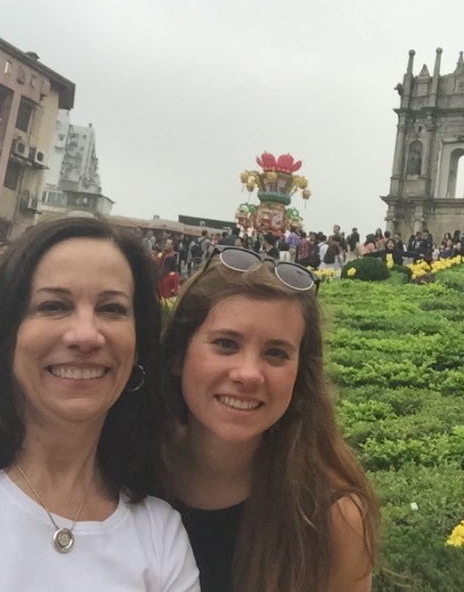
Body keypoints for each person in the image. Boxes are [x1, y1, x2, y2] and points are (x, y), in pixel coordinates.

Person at [0, 217, 199, 590]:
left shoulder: (160, 535)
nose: (86, 335)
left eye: (112, 309)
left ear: (139, 347)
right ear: (5, 334)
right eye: (53, 305)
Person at [159, 245, 379, 592]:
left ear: (299, 374)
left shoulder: (331, 517)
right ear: (177, 355)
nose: (249, 374)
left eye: (276, 353)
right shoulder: (123, 472)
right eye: (226, 344)